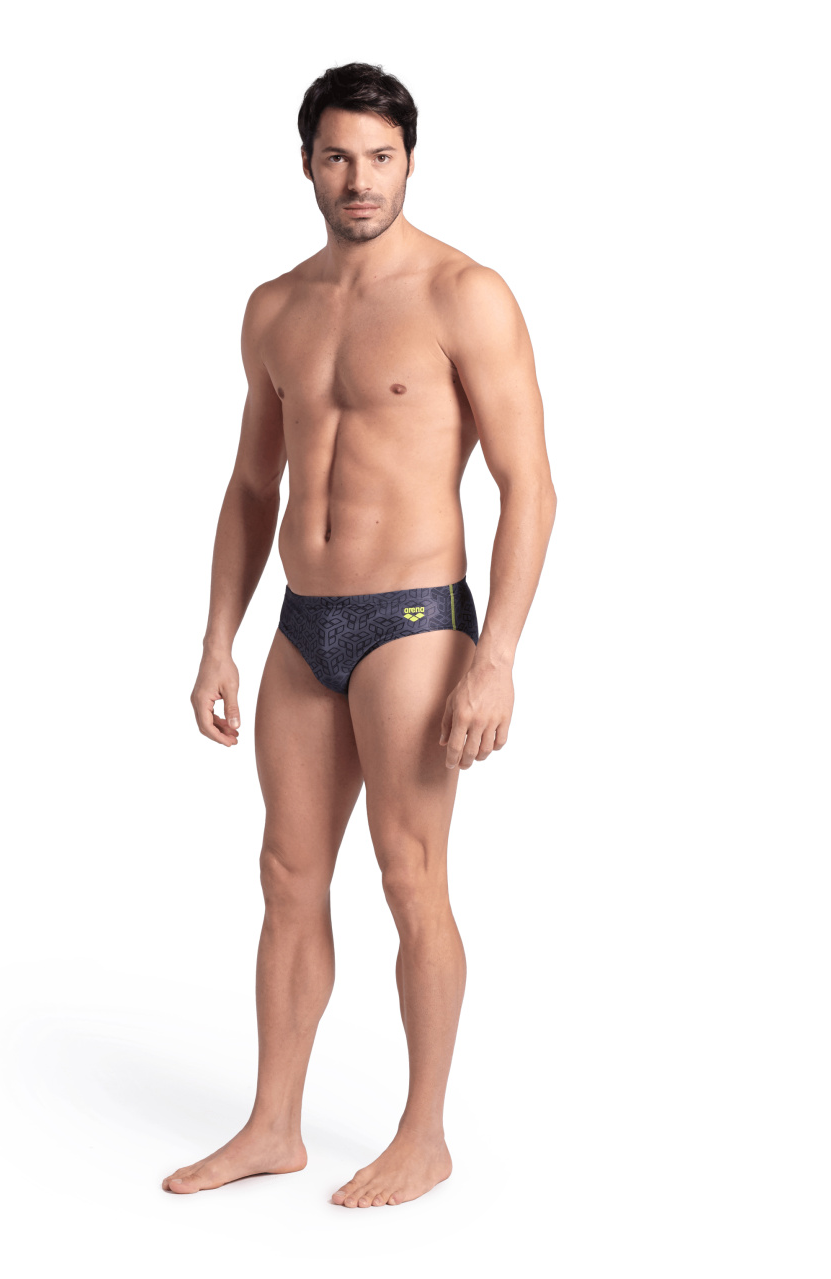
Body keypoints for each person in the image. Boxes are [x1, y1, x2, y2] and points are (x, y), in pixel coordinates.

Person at [163, 62, 556, 1209]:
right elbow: (251, 486)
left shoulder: (464, 294)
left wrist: (497, 657)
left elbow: (530, 487)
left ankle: (423, 1134)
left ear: (410, 162)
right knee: (287, 874)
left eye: (380, 157)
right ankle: (272, 1126)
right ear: (307, 164)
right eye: (338, 156)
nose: (360, 179)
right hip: (303, 624)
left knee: (409, 872)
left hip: (414, 620)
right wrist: (218, 640)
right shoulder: (275, 307)